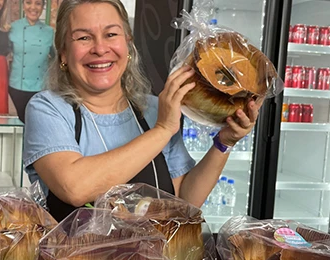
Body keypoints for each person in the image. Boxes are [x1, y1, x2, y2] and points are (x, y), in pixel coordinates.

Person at [23, 0, 261, 222]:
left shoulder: (154, 109)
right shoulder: (47, 109)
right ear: (63, 52)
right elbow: (73, 188)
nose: (100, 48)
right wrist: (163, 129)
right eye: (84, 37)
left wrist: (223, 144)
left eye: (111, 34)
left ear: (128, 43)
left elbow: (184, 202)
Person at [9, 0, 55, 122]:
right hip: (16, 87)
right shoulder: (12, 28)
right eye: (29, 3)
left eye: (38, 4)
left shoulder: (49, 32)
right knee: (17, 124)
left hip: (41, 88)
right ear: (23, 5)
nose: (33, 7)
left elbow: (57, 60)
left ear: (43, 7)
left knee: (37, 124)